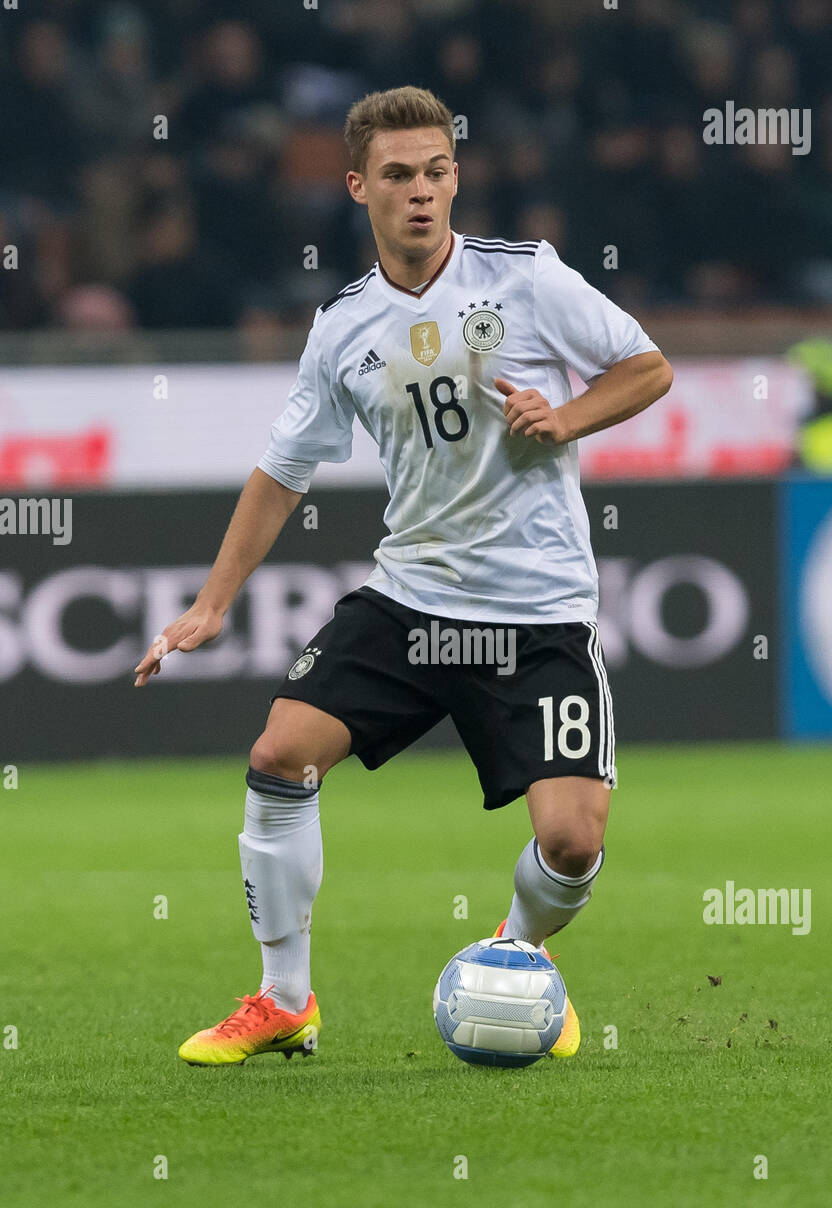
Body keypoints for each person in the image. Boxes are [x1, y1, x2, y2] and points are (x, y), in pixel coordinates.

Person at [133, 85, 673, 1065]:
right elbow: (280, 472)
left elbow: (645, 368)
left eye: (435, 172)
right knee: (278, 754)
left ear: (455, 178)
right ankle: (283, 998)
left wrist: (564, 419)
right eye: (396, 176)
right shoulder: (342, 325)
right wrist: (211, 605)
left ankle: (518, 951)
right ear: (357, 187)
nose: (420, 192)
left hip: (537, 612)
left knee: (572, 841)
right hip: (411, 599)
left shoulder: (528, 280)